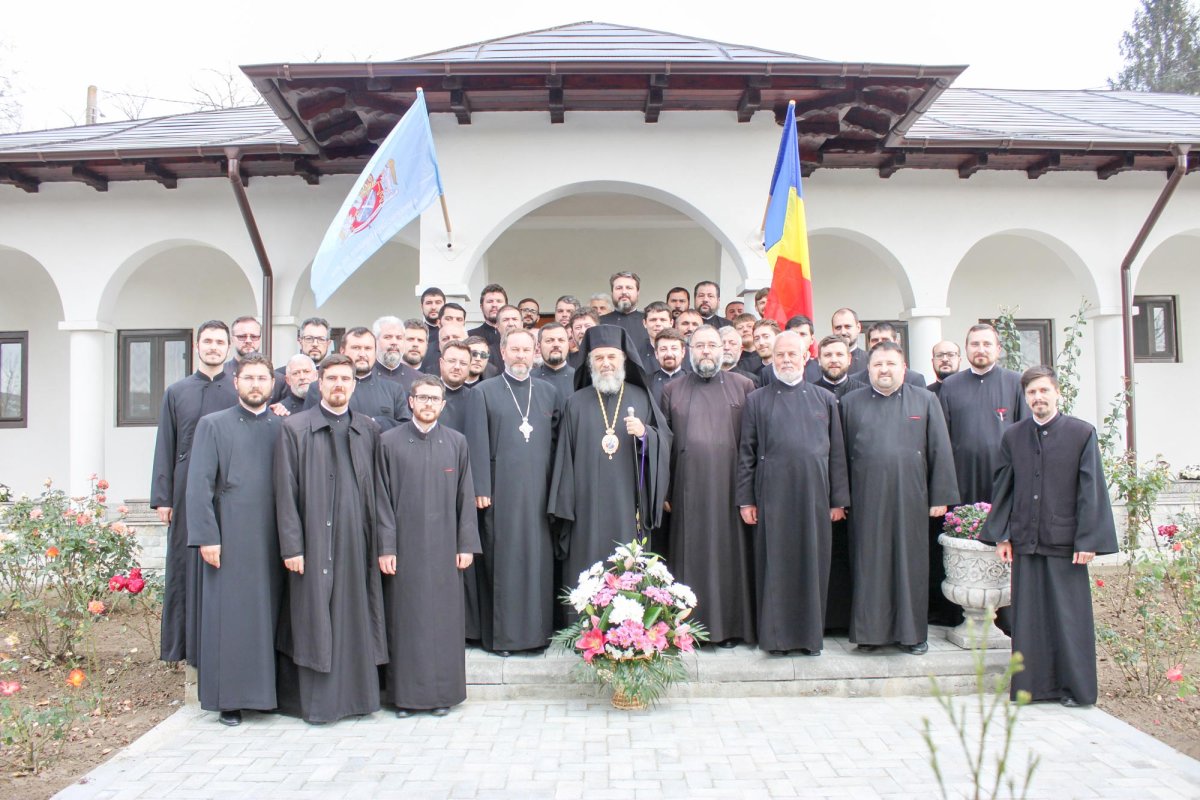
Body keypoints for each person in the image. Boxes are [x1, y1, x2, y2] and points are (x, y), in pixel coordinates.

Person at [981, 366, 1117, 707]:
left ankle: (1076, 690)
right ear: (1025, 398)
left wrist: (1088, 540)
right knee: (1028, 620)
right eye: (1031, 393)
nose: (1038, 398)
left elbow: (1092, 489)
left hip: (1066, 543)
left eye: (1044, 391)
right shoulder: (1013, 436)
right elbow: (1005, 487)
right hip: (1025, 540)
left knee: (1069, 620)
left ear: (1057, 393)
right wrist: (1002, 536)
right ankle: (1032, 688)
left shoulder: (1081, 433)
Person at [274, 354, 388, 724]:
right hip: (313, 541)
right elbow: (284, 492)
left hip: (358, 541)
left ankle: (358, 700)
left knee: (354, 615)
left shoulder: (368, 429)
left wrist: (384, 543)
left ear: (354, 385)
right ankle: (320, 706)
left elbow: (382, 493)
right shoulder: (295, 428)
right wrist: (292, 545)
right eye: (332, 378)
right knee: (315, 619)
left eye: (346, 379)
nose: (339, 385)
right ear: (319, 384)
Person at [840, 341, 959, 655]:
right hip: (865, 500)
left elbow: (939, 451)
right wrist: (840, 498)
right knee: (869, 564)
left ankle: (912, 634)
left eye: (891, 364)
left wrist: (941, 496)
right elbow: (839, 456)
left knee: (911, 565)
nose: (884, 370)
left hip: (912, 498)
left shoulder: (925, 400)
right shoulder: (850, 403)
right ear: (868, 369)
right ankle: (870, 633)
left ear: (903, 368)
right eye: (878, 364)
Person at [186, 355, 284, 726]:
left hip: (273, 536)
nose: (256, 384)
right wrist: (208, 536)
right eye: (249, 378)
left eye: (263, 378)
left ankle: (267, 696)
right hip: (229, 534)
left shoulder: (282, 427)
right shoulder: (213, 425)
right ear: (236, 382)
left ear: (273, 385)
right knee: (232, 617)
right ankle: (230, 699)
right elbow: (199, 485)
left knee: (269, 615)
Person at [738, 332, 849, 655]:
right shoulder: (756, 400)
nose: (786, 359)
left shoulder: (824, 399)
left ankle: (809, 639)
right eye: (780, 354)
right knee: (775, 565)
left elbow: (837, 454)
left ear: (806, 358)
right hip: (771, 496)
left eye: (793, 354)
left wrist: (838, 500)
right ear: (771, 359)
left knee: (812, 564)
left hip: (814, 497)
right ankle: (775, 639)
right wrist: (746, 499)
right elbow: (747, 451)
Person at [376, 376, 480, 717]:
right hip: (403, 551)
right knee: (404, 622)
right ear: (410, 402)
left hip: (446, 548)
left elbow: (465, 497)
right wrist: (386, 547)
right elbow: (381, 501)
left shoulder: (456, 442)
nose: (428, 404)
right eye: (422, 398)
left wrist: (466, 544)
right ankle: (403, 698)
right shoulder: (388, 443)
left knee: (443, 623)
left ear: (443, 404)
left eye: (435, 399)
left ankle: (442, 696)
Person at [549, 326, 671, 587]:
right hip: (585, 506)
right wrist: (565, 508)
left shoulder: (642, 397)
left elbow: (664, 441)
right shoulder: (575, 402)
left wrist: (645, 435)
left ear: (623, 360)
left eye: (612, 357)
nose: (606, 363)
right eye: (599, 358)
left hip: (628, 504)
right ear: (590, 362)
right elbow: (564, 460)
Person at [466, 329, 562, 656]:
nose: (520, 355)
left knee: (538, 562)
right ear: (502, 353)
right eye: (514, 350)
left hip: (539, 490)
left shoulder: (548, 392)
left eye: (526, 350)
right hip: (500, 491)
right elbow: (476, 441)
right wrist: (481, 486)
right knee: (503, 562)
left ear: (534, 352)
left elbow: (556, 444)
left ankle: (537, 635)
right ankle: (504, 639)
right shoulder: (483, 392)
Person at [661, 326, 756, 648]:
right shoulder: (672, 390)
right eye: (699, 345)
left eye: (712, 345)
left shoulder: (744, 387)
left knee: (730, 560)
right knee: (691, 559)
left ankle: (730, 629)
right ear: (690, 350)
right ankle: (687, 628)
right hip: (688, 495)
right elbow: (664, 445)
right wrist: (665, 492)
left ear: (724, 350)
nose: (706, 351)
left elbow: (752, 445)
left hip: (732, 493)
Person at [151, 320, 239, 665]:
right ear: (197, 346)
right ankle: (186, 645)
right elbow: (165, 444)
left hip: (230, 485)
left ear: (228, 348)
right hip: (187, 487)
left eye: (220, 342)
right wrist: (164, 497)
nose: (214, 347)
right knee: (186, 564)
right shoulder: (177, 391)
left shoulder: (237, 390)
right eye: (208, 341)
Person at [303, 327, 409, 431]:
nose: (362, 354)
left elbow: (406, 429)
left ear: (375, 352)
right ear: (342, 351)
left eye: (368, 348)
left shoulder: (393, 390)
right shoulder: (319, 387)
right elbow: (307, 427)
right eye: (356, 348)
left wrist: (378, 422)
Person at [272, 317, 331, 400]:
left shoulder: (334, 376)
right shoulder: (280, 376)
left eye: (321, 339)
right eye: (309, 338)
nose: (315, 344)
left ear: (328, 343)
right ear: (300, 341)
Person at [599, 271, 653, 357]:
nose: (624, 292)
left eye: (629, 288)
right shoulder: (599, 322)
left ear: (638, 292)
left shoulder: (650, 321)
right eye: (619, 288)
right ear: (612, 293)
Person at [865, 322, 926, 387]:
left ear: (896, 342)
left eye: (885, 340)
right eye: (875, 340)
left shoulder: (914, 379)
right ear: (869, 344)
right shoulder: (856, 380)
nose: (880, 343)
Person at [373, 316, 424, 394]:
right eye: (388, 337)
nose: (394, 342)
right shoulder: (364, 376)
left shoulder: (419, 379)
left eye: (399, 338)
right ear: (375, 340)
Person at [531, 322, 575, 402]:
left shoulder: (579, 379)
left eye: (561, 340)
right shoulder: (529, 379)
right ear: (538, 345)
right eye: (549, 341)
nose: (556, 344)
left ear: (568, 344)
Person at [421, 301, 467, 375]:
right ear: (438, 323)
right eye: (448, 319)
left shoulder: (473, 351)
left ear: (464, 324)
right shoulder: (425, 352)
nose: (454, 323)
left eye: (459, 319)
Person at [469, 283, 508, 365]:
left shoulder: (514, 336)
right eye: (490, 301)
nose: (494, 305)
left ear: (506, 306)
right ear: (481, 307)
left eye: (499, 301)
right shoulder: (469, 336)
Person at [648, 328, 686, 407]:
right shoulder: (647, 383)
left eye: (674, 348)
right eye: (663, 349)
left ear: (683, 352)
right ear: (656, 354)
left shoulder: (694, 382)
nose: (669, 354)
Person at [832, 308, 868, 375]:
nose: (843, 332)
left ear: (858, 328)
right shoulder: (821, 363)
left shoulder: (870, 361)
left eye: (847, 326)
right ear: (832, 330)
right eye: (838, 328)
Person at [640, 301, 673, 368]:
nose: (658, 323)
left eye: (663, 320)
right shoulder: (636, 354)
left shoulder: (683, 352)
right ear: (644, 323)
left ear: (671, 323)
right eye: (653, 320)